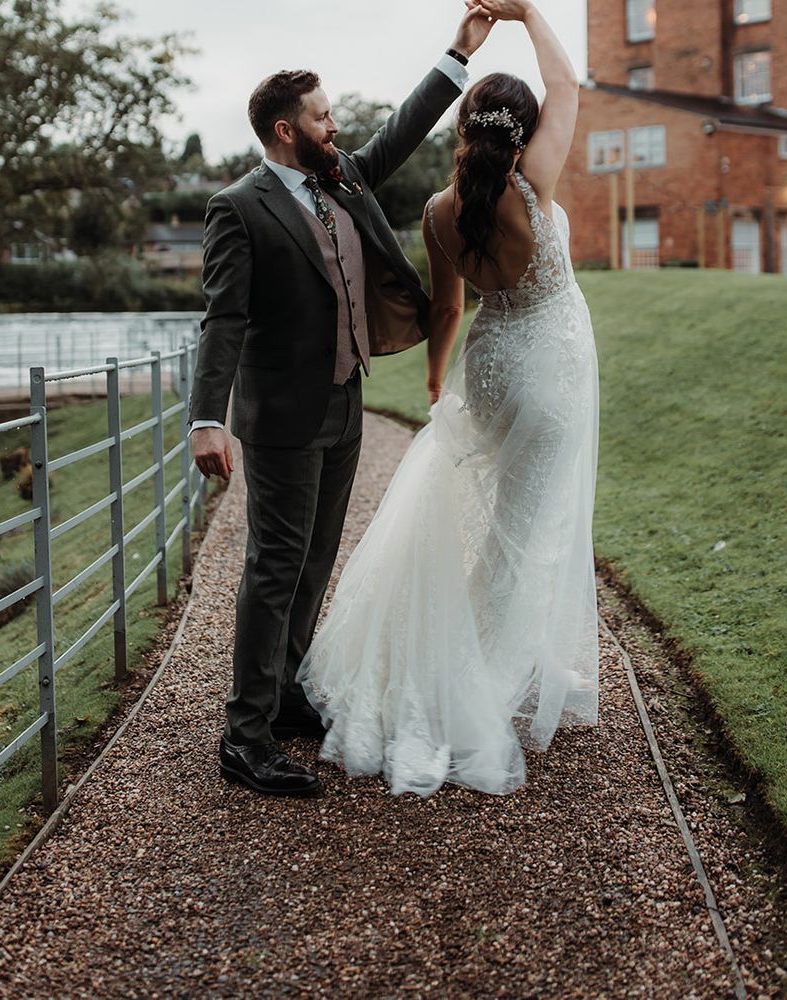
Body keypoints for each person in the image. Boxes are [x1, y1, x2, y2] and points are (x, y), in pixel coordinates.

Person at [189, 5, 500, 797]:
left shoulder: (343, 177)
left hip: (344, 404)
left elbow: (399, 131)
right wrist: (205, 419)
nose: (337, 125)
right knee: (274, 567)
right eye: (323, 116)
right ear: (287, 130)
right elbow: (222, 320)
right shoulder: (239, 207)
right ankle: (244, 735)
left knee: (315, 560)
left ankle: (286, 692)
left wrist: (456, 57)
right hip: (283, 418)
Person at [297, 0, 600, 797]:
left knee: (500, 518)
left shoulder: (438, 210)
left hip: (491, 369)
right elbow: (567, 80)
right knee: (520, 532)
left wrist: (439, 380)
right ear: (522, 133)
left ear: (464, 130)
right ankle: (474, 682)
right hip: (549, 371)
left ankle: (493, 649)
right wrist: (530, 12)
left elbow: (446, 310)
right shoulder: (534, 181)